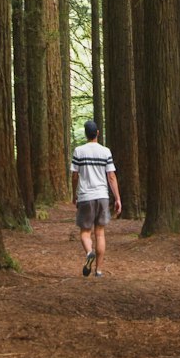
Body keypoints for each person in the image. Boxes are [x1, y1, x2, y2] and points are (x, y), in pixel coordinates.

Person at [71, 118, 121, 276]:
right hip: (102, 196)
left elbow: (74, 175)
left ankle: (88, 253)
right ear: (97, 133)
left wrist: (75, 194)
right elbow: (111, 176)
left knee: (85, 232)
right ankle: (98, 271)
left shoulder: (79, 151)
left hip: (85, 196)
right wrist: (117, 198)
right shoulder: (105, 151)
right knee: (100, 233)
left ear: (86, 134)